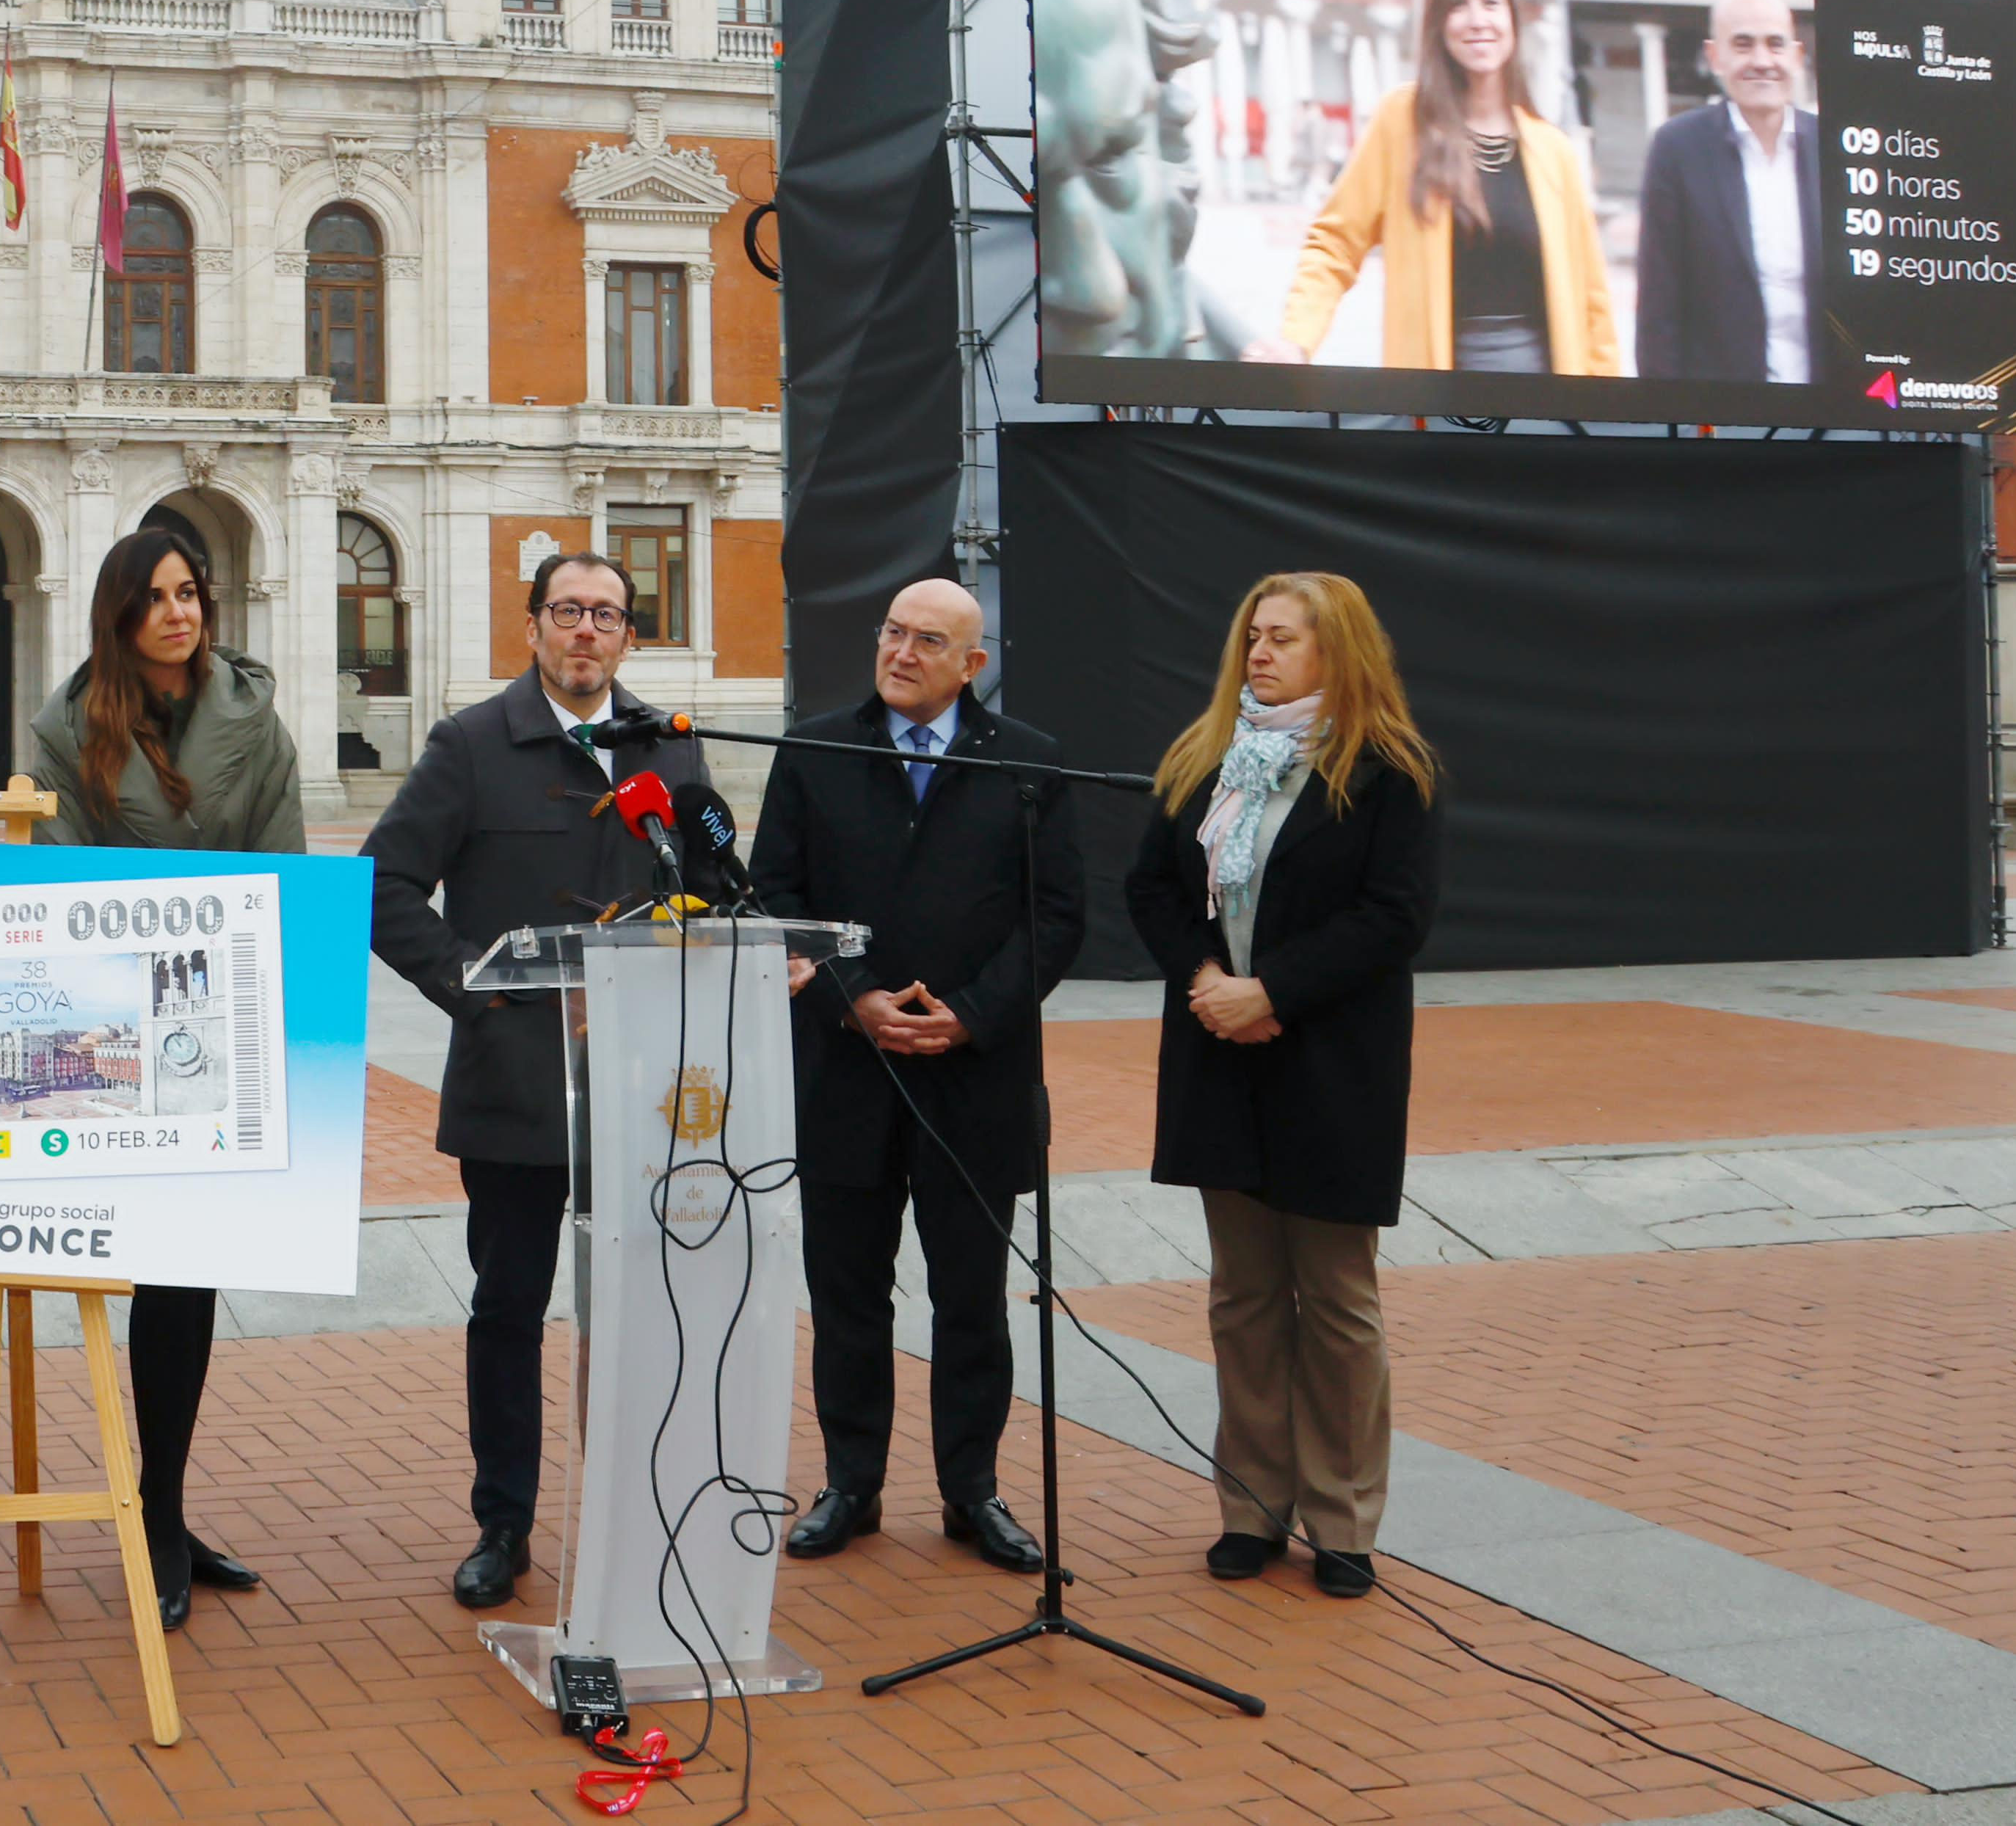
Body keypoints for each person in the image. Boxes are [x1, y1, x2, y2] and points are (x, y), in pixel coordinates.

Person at [364, 549, 729, 1609]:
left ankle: (643, 1504)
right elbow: (383, 886)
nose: (585, 631)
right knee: (511, 1306)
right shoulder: (473, 745)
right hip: (518, 1085)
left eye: (606, 616)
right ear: (532, 628)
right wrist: (478, 993)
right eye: (566, 611)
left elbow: (711, 891)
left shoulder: (669, 748)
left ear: (629, 638)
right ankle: (505, 1522)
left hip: (650, 1088)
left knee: (645, 1307)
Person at [752, 578, 1084, 1575]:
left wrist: (974, 1015)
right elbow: (773, 892)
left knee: (971, 1300)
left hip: (972, 1080)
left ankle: (970, 1490)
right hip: (846, 1074)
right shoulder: (816, 746)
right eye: (892, 632)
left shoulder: (1030, 764)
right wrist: (852, 998)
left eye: (927, 640)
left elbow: (1058, 916)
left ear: (971, 664)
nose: (901, 652)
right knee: (848, 1296)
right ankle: (851, 1484)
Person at [1121, 572, 1441, 1600]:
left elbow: (1395, 917)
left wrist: (1275, 992)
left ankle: (1343, 1520)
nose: (1260, 654)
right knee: (1244, 1298)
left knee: (1338, 1300)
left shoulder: (1388, 770)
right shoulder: (1207, 758)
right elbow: (1152, 887)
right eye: (1253, 636)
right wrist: (1210, 981)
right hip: (1221, 1052)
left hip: (1330, 1064)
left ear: (1337, 653)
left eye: (1285, 640)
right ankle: (1251, 1511)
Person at [22, 527, 304, 1634]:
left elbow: (284, 861)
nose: (178, 614)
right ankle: (158, 1516)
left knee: (191, 1278)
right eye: (155, 599)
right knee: (161, 1277)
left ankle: (164, 1510)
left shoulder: (254, 717)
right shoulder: (67, 728)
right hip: (123, 1035)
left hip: (223, 1018)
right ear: (120, 614)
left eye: (191, 593)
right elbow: (60, 887)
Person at [1252, 0, 1619, 377]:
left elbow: (1593, 303)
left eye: (1491, 2)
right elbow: (1334, 245)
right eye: (1457, 4)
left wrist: (1604, 419)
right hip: (1435, 409)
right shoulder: (1401, 123)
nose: (1478, 19)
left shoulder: (1553, 150)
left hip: (1549, 412)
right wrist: (1296, 340)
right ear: (1438, 25)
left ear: (1512, 19)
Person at [1634, 0, 1830, 384]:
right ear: (1715, 56)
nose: (1762, 61)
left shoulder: (1836, 149)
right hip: (1725, 423)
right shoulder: (1677, 150)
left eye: (1775, 44)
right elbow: (1659, 312)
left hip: (1831, 420)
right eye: (1743, 44)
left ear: (1796, 56)